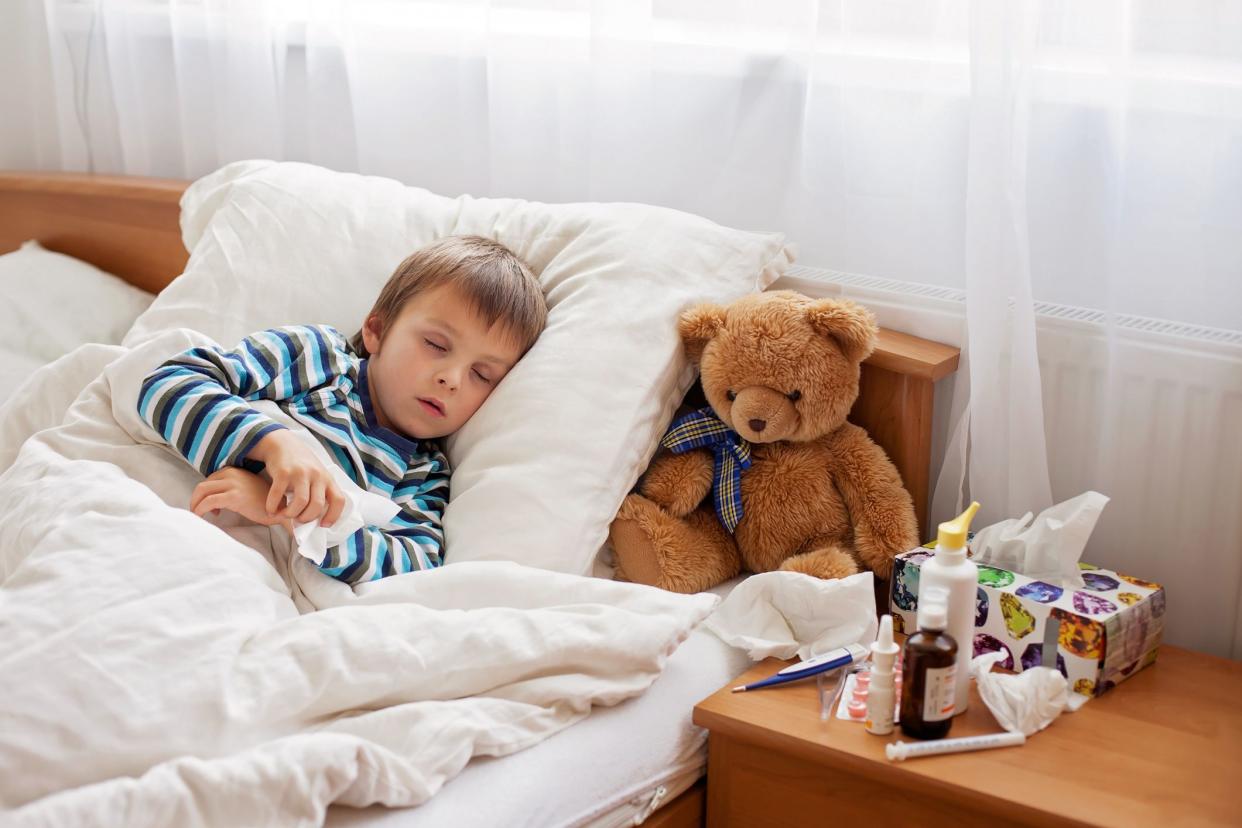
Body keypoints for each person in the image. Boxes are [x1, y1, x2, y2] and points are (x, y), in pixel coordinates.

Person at [138, 235, 547, 584]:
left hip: (253, 575)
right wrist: (276, 445)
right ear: (377, 330)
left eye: (482, 374)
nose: (453, 378)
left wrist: (290, 512)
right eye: (437, 346)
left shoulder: (423, 474)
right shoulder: (318, 359)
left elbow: (415, 563)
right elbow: (170, 383)